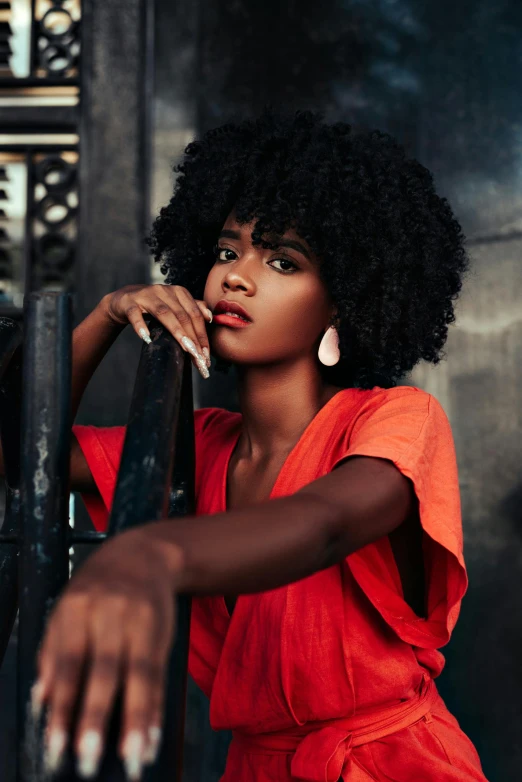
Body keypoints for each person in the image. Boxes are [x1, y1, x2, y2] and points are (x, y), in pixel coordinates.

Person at [28, 111, 487, 781]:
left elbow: (322, 524)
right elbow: (19, 458)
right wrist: (106, 314)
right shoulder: (200, 449)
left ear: (345, 301)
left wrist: (151, 554)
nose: (236, 277)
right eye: (225, 251)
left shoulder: (397, 419)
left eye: (282, 260)